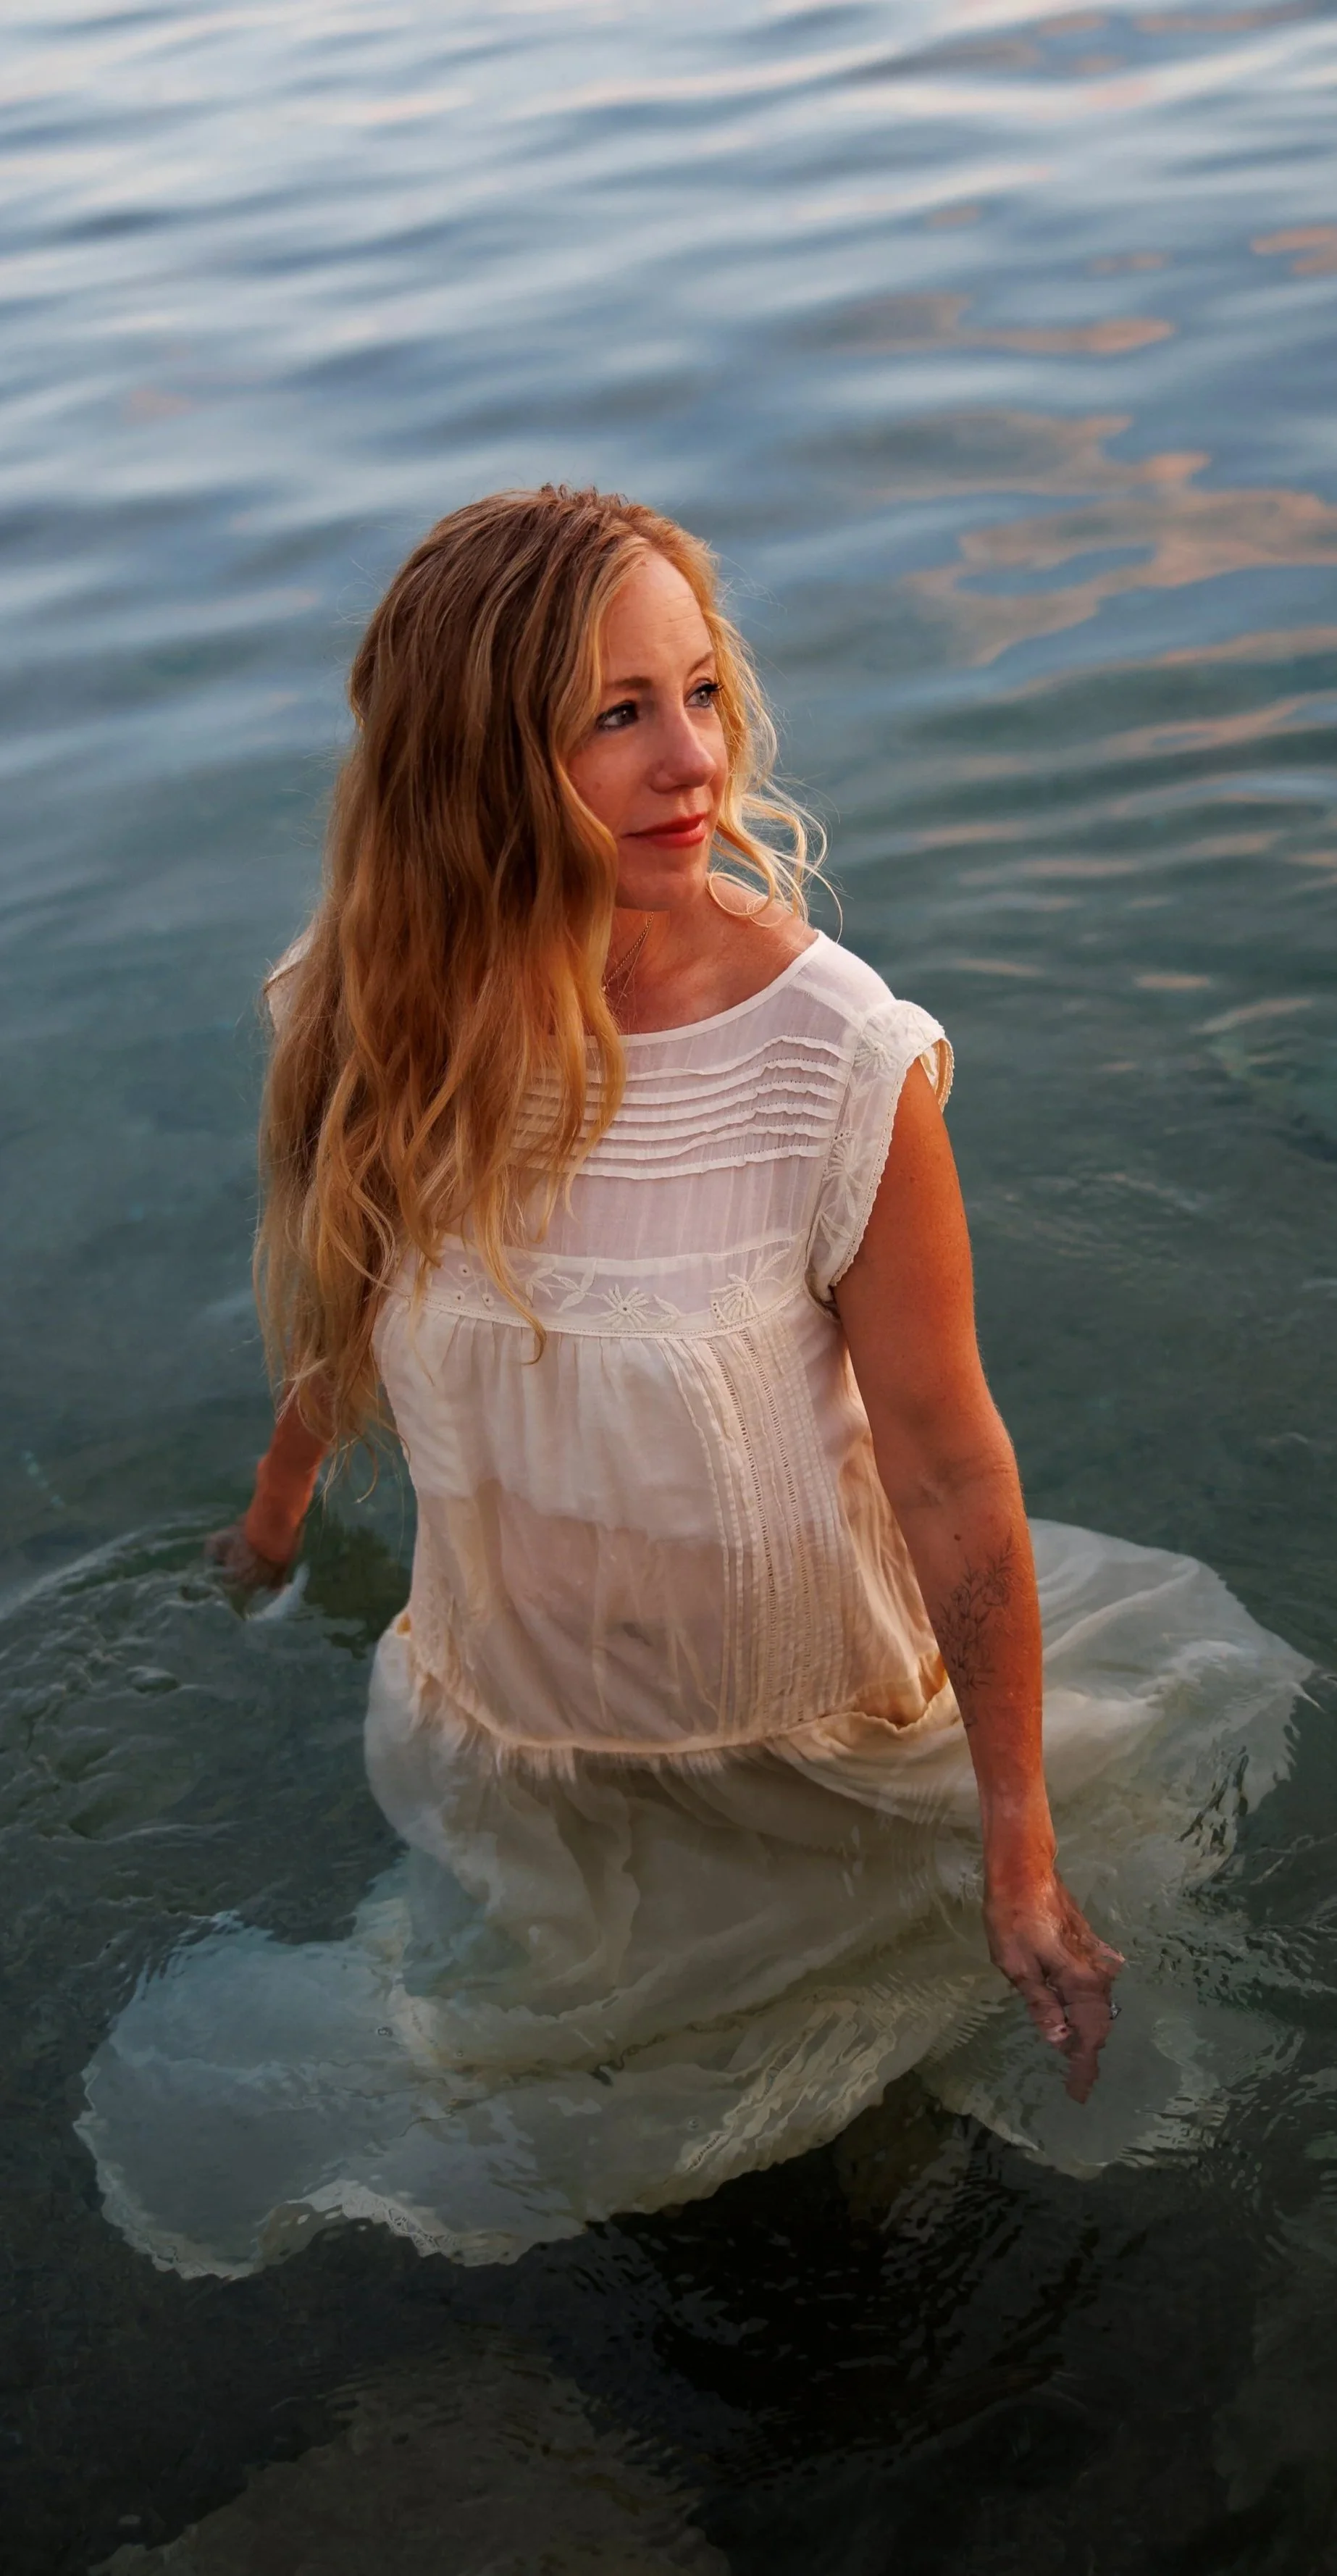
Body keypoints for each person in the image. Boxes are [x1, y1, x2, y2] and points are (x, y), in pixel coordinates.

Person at [77, 488, 1305, 2276]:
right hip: (520, 1740)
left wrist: (1018, 1849)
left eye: (701, 690)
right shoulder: (363, 1012)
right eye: (614, 714)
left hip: (806, 1739)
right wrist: (270, 1529)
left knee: (860, 2223)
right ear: (474, 767)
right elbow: (342, 1305)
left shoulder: (834, 1059)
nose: (691, 764)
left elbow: (953, 1467)